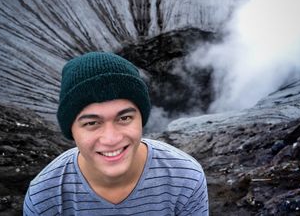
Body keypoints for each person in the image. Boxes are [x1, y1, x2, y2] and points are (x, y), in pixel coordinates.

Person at [23, 51, 209, 215]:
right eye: (92, 123)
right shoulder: (45, 198)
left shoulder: (186, 178)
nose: (111, 139)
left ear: (141, 120)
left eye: (124, 118)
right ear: (71, 129)